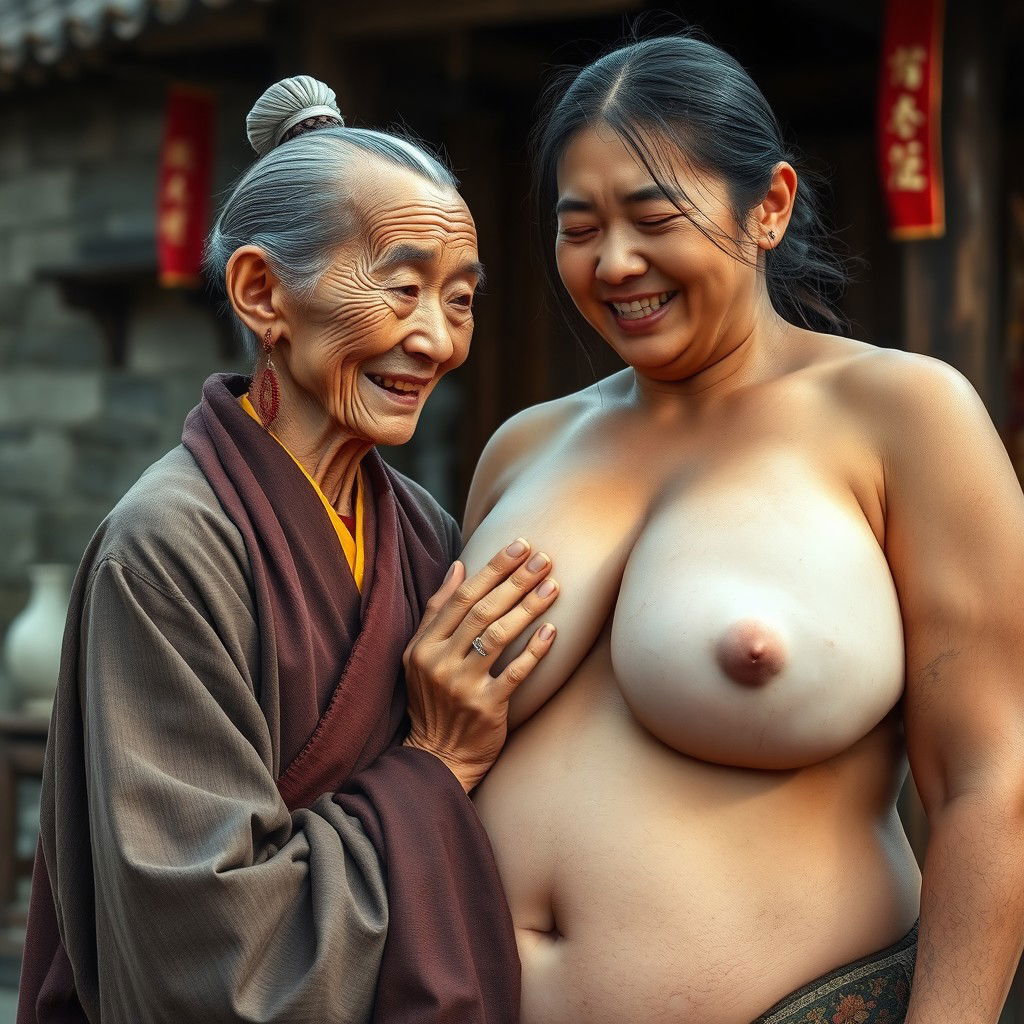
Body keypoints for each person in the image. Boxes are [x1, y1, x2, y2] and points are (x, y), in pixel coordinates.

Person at [460, 34, 1024, 1024]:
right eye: (578, 225)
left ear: (766, 206)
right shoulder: (522, 448)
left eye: (652, 216)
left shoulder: (901, 415)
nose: (614, 260)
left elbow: (992, 779)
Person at [17, 75, 560, 1024]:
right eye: (401, 288)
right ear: (263, 293)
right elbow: (209, 957)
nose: (436, 339)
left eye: (461, 298)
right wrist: (432, 764)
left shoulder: (422, 529)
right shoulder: (167, 548)